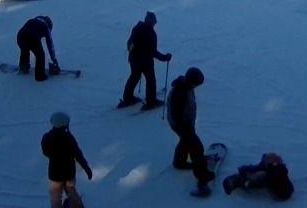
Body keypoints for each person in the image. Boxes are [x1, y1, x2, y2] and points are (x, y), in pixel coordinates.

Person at [167, 67, 215, 196]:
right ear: (191, 81)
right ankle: (202, 175)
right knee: (196, 148)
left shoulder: (186, 86)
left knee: (185, 142)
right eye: (197, 84)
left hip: (186, 122)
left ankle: (179, 162)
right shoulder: (179, 93)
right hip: (180, 124)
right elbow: (176, 115)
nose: (197, 87)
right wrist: (186, 129)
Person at [120, 11, 172, 109]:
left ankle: (128, 98)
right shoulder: (151, 33)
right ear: (150, 21)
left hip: (133, 60)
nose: (154, 23)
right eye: (154, 21)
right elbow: (153, 52)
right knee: (150, 79)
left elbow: (129, 44)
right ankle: (151, 101)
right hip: (145, 62)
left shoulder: (136, 28)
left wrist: (132, 54)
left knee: (134, 76)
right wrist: (165, 58)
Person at [41, 111, 93, 208]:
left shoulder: (46, 138)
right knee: (71, 190)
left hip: (54, 173)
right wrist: (86, 168)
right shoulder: (69, 138)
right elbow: (78, 154)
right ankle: (77, 206)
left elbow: (45, 152)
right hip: (69, 173)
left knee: (55, 194)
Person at [222, 151, 294, 201]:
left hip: (280, 195)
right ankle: (241, 179)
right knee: (260, 173)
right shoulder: (278, 169)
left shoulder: (268, 175)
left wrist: (245, 177)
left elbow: (257, 173)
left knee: (260, 176)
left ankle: (238, 181)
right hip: (285, 191)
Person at [16, 15, 59, 82]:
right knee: (40, 55)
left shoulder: (32, 21)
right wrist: (55, 62)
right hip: (32, 37)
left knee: (24, 50)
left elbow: (26, 31)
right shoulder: (46, 27)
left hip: (20, 36)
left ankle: (23, 67)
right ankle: (40, 76)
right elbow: (50, 46)